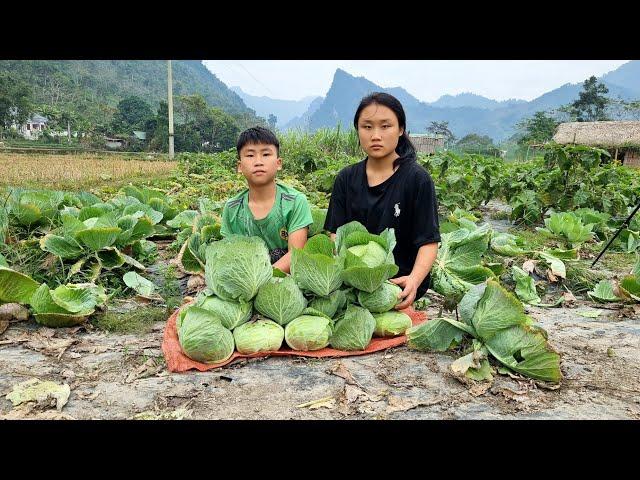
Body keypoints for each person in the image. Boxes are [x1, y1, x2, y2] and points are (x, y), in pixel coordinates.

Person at [324, 92, 441, 309]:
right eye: (367, 127)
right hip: (353, 286)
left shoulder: (417, 179)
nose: (375, 135)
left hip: (398, 288)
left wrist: (414, 281)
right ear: (358, 130)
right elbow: (335, 236)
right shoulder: (346, 178)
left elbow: (428, 241)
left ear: (401, 129)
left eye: (385, 126)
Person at [220, 126, 313, 273]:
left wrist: (262, 279)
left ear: (278, 163)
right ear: (239, 166)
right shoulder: (232, 208)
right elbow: (230, 257)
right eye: (250, 155)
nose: (258, 162)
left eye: (266, 154)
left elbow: (295, 255)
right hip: (246, 282)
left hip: (286, 281)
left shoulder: (295, 202)